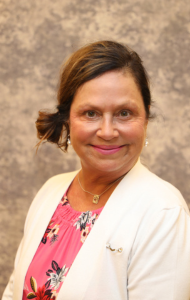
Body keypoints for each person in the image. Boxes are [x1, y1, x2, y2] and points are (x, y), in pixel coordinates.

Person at [2, 41, 190, 300]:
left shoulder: (163, 213)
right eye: (91, 113)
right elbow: (14, 292)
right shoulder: (51, 191)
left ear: (145, 117)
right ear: (68, 118)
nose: (107, 131)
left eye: (124, 113)